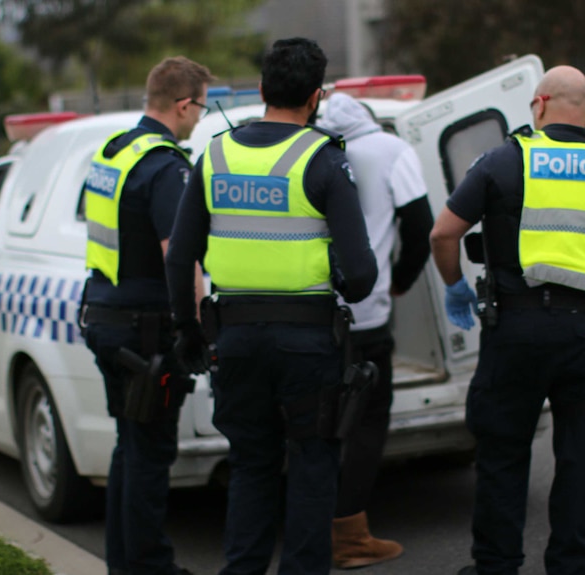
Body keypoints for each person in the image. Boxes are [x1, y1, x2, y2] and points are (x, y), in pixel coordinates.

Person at [430, 66, 585, 575]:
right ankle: (572, 563)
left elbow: (443, 234)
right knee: (581, 452)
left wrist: (454, 287)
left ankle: (496, 563)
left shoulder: (504, 160)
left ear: (538, 104)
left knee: (503, 449)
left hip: (516, 329)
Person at [165, 37, 377, 575]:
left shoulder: (212, 155)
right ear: (317, 96)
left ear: (261, 89)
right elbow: (361, 275)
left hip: (233, 340)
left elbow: (179, 259)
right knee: (311, 468)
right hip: (308, 344)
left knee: (251, 468)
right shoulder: (324, 158)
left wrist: (190, 333)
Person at [80, 55, 213, 575]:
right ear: (183, 104)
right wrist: (196, 327)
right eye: (200, 106)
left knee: (130, 447)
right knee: (151, 455)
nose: (201, 116)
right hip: (147, 333)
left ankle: (126, 564)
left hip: (107, 320)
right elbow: (178, 260)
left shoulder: (114, 151)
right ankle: (150, 567)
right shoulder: (166, 167)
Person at [318, 92, 433, 569]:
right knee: (367, 419)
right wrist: (402, 280)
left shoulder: (311, 153)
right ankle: (349, 536)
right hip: (366, 313)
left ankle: (310, 524)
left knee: (319, 421)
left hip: (310, 312)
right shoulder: (390, 150)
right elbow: (421, 222)